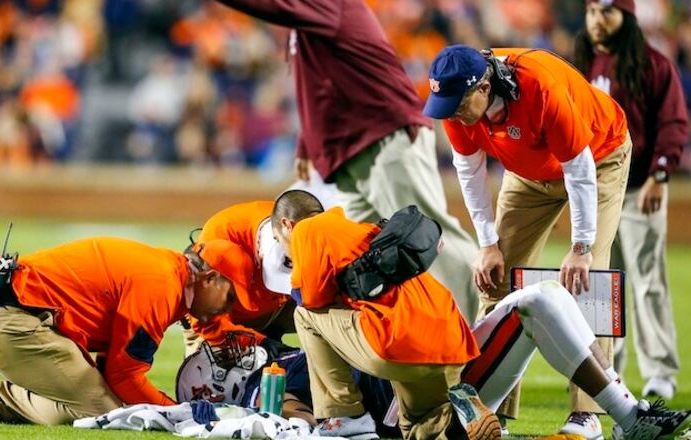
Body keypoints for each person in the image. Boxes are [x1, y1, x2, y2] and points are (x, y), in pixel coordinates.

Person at [271, 190, 690, 440]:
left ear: (287, 226)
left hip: (405, 371)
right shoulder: (365, 236)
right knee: (542, 297)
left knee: (307, 313)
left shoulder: (311, 241)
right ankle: (627, 414)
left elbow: (307, 303)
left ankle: (346, 422)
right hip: (453, 353)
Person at [210, 0, 480, 324]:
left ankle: (480, 324)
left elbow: (272, 8)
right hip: (353, 149)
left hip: (384, 136)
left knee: (428, 235)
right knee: (361, 255)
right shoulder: (312, 14)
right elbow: (318, 82)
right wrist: (308, 141)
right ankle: (393, 338)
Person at [424, 45, 632, 437]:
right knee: (494, 278)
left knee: (590, 283)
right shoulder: (457, 106)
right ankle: (489, 409)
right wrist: (487, 244)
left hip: (599, 155)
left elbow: (579, 168)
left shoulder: (541, 87)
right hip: (529, 171)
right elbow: (469, 172)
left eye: (458, 105)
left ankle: (588, 414)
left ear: (484, 87)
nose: (451, 114)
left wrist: (581, 247)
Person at [0, 237, 250, 425]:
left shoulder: (167, 272)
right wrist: (180, 413)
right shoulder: (163, 284)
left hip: (1, 317)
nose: (228, 309)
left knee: (102, 404)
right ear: (210, 278)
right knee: (103, 410)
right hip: (12, 325)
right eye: (230, 297)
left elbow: (113, 368)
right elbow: (124, 377)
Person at [272, 190, 493, 440]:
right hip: (451, 341)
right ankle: (461, 419)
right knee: (418, 428)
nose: (284, 250)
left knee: (304, 316)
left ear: (287, 225)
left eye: (278, 240)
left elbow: (309, 298)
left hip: (401, 342)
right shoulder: (363, 229)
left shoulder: (307, 228)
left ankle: (345, 417)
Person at [574, 0, 686, 402]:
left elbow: (673, 121)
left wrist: (661, 173)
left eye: (607, 11)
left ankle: (660, 371)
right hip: (598, 191)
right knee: (602, 285)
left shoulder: (654, 65)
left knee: (648, 281)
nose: (597, 20)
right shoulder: (581, 63)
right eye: (591, 11)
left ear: (627, 15)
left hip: (639, 189)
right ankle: (608, 368)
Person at [176, 333, 401, 438]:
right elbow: (277, 407)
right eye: (223, 360)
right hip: (391, 391)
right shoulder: (257, 388)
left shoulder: (272, 362)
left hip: (391, 376)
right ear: (217, 390)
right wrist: (305, 418)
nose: (236, 352)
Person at [183, 200, 300, 358]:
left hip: (281, 300)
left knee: (325, 314)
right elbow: (209, 326)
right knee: (209, 362)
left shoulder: (296, 225)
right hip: (229, 315)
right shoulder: (213, 248)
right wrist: (260, 342)